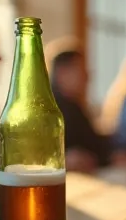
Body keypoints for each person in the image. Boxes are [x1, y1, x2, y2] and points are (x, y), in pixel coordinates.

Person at [47, 40, 113, 173]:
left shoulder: (73, 106)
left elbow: (93, 143)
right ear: (62, 72)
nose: (87, 76)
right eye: (81, 69)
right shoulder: (50, 110)